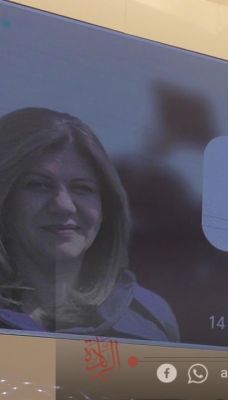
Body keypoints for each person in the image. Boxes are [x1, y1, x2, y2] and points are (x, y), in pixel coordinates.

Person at [0, 107, 179, 341]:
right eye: (39, 184)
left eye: (82, 188)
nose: (64, 205)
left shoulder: (151, 318)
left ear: (107, 207)